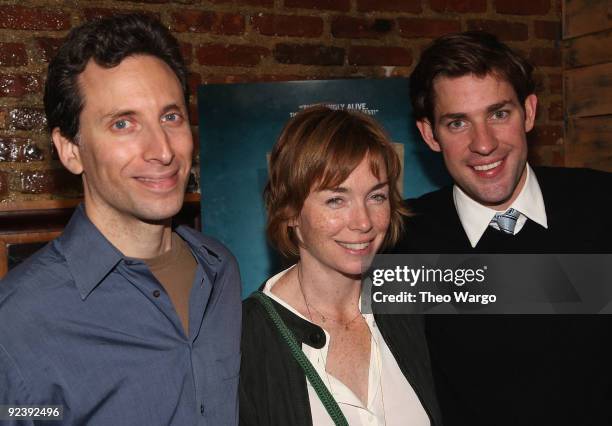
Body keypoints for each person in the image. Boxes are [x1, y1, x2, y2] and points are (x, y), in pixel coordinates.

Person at [0, 14, 241, 425]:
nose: (162, 150)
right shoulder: (20, 323)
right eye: (123, 123)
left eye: (170, 116)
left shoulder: (221, 270)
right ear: (70, 150)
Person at [394, 31, 612, 425]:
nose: (484, 143)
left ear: (528, 112)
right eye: (458, 123)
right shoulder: (401, 241)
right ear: (430, 135)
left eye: (499, 114)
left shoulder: (603, 204)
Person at [239, 105, 442, 426]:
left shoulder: (408, 307)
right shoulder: (242, 340)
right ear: (290, 210)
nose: (363, 222)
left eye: (376, 197)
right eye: (336, 199)